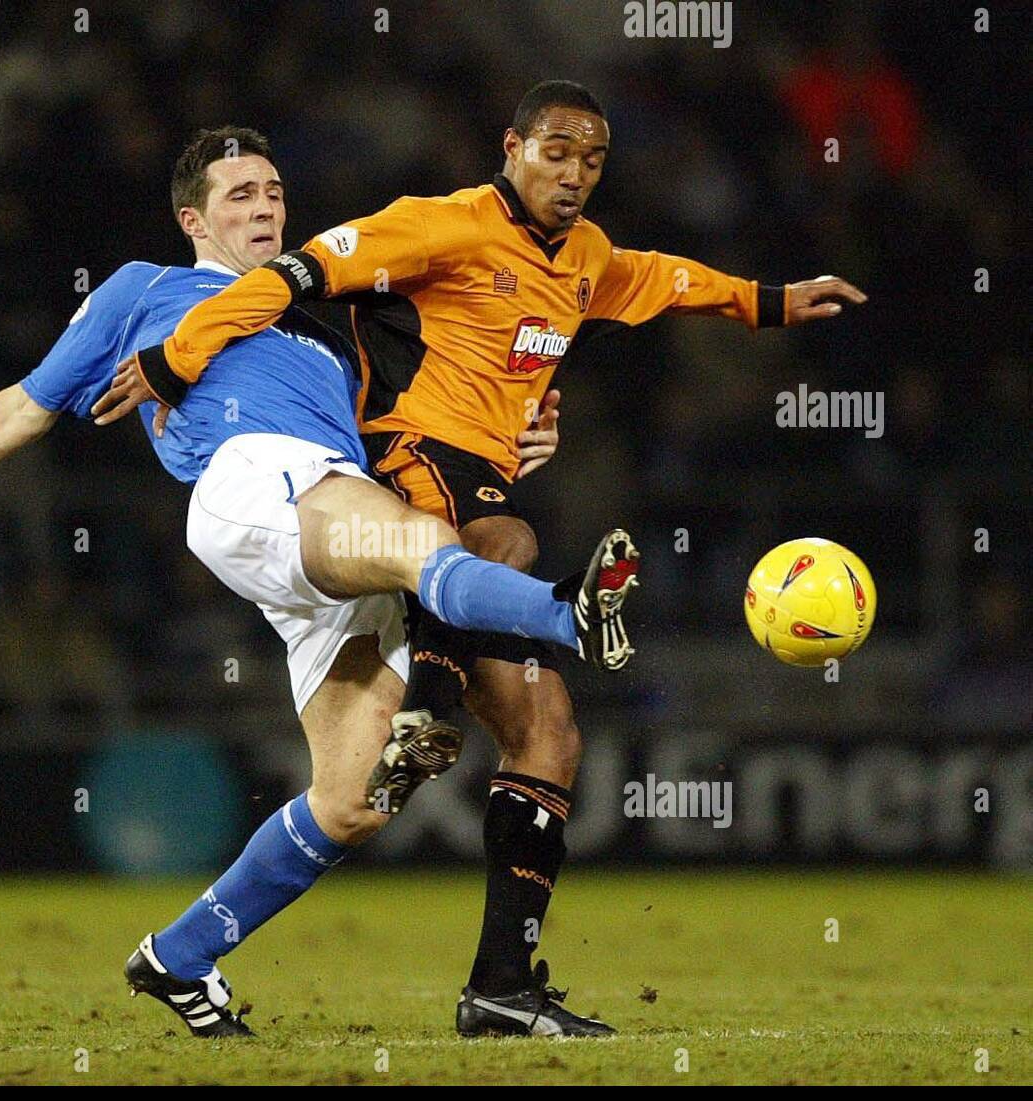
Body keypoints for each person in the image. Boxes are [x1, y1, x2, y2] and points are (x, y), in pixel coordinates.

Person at [91, 81, 867, 1037]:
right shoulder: (440, 225)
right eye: (555, 152)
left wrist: (771, 302)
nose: (573, 174)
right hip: (403, 465)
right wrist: (177, 357)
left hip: (478, 479)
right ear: (511, 147)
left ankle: (493, 981)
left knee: (542, 739)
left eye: (591, 159)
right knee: (507, 540)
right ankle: (455, 684)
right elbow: (291, 277)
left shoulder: (583, 258)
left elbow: (658, 278)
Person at [0, 125, 631, 1039]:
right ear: (194, 218)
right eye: (239, 196)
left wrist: (524, 427)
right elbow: (22, 405)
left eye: (273, 192)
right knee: (428, 545)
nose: (264, 208)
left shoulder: (326, 323)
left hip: (339, 516)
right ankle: (569, 614)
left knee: (355, 801)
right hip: (255, 483)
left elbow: (437, 420)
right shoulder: (148, 290)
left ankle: (179, 957)